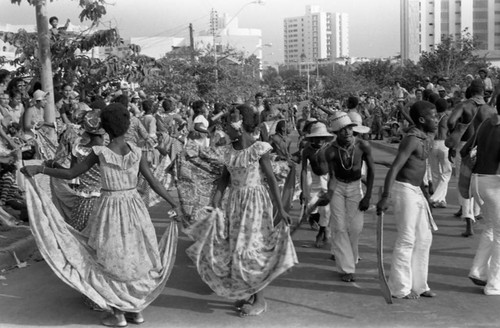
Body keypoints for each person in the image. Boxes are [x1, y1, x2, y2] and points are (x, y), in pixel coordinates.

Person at [21, 103, 179, 327]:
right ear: (127, 126)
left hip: (110, 209)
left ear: (105, 127)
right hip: (135, 209)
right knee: (135, 257)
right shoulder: (137, 151)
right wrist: (174, 203)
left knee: (110, 259)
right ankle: (135, 310)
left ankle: (119, 315)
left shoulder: (100, 153)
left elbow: (71, 173)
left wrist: (40, 169)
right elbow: (154, 182)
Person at [184, 104, 297, 317]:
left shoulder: (259, 148)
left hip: (255, 203)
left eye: (229, 121)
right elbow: (223, 181)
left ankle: (260, 300)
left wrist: (281, 209)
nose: (225, 125)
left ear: (241, 124)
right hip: (235, 203)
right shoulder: (228, 151)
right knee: (236, 248)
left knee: (250, 249)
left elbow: (271, 180)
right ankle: (247, 292)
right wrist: (214, 204)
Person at [377, 100, 439, 299]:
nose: (437, 120)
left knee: (425, 237)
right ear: (422, 120)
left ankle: (420, 285)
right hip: (403, 190)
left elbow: (420, 169)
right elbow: (395, 168)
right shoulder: (411, 139)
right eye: (434, 116)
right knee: (407, 238)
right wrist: (385, 197)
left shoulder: (425, 136)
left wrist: (425, 193)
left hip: (416, 191)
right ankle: (400, 288)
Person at [323, 111, 374, 282]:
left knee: (356, 227)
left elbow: (372, 171)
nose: (348, 132)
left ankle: (351, 257)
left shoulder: (362, 146)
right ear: (336, 133)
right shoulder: (330, 151)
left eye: (350, 128)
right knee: (339, 227)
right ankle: (346, 268)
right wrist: (328, 194)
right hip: (338, 186)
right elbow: (331, 176)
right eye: (343, 130)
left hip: (355, 186)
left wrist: (368, 196)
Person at [447, 81, 496, 236]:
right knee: (476, 179)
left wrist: (457, 130)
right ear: (483, 91)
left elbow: (450, 121)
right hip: (482, 147)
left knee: (464, 181)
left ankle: (468, 222)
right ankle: (476, 213)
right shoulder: (490, 109)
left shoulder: (464, 105)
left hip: (465, 145)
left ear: (470, 90)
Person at [467, 93, 500, 295]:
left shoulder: (487, 123)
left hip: (478, 181)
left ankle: (478, 271)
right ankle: (494, 284)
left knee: (490, 228)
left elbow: (466, 149)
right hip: (494, 183)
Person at [301, 122, 334, 248]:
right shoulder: (307, 150)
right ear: (312, 138)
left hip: (327, 179)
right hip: (314, 179)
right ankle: (321, 226)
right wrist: (303, 190)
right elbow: (304, 170)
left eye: (322, 138)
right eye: (317, 138)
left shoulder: (329, 148)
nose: (319, 140)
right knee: (311, 206)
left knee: (326, 209)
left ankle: (321, 231)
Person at [428, 98, 452, 208]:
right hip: (444, 144)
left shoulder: (433, 117)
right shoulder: (448, 117)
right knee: (446, 173)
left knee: (435, 172)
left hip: (433, 144)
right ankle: (437, 198)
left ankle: (441, 199)